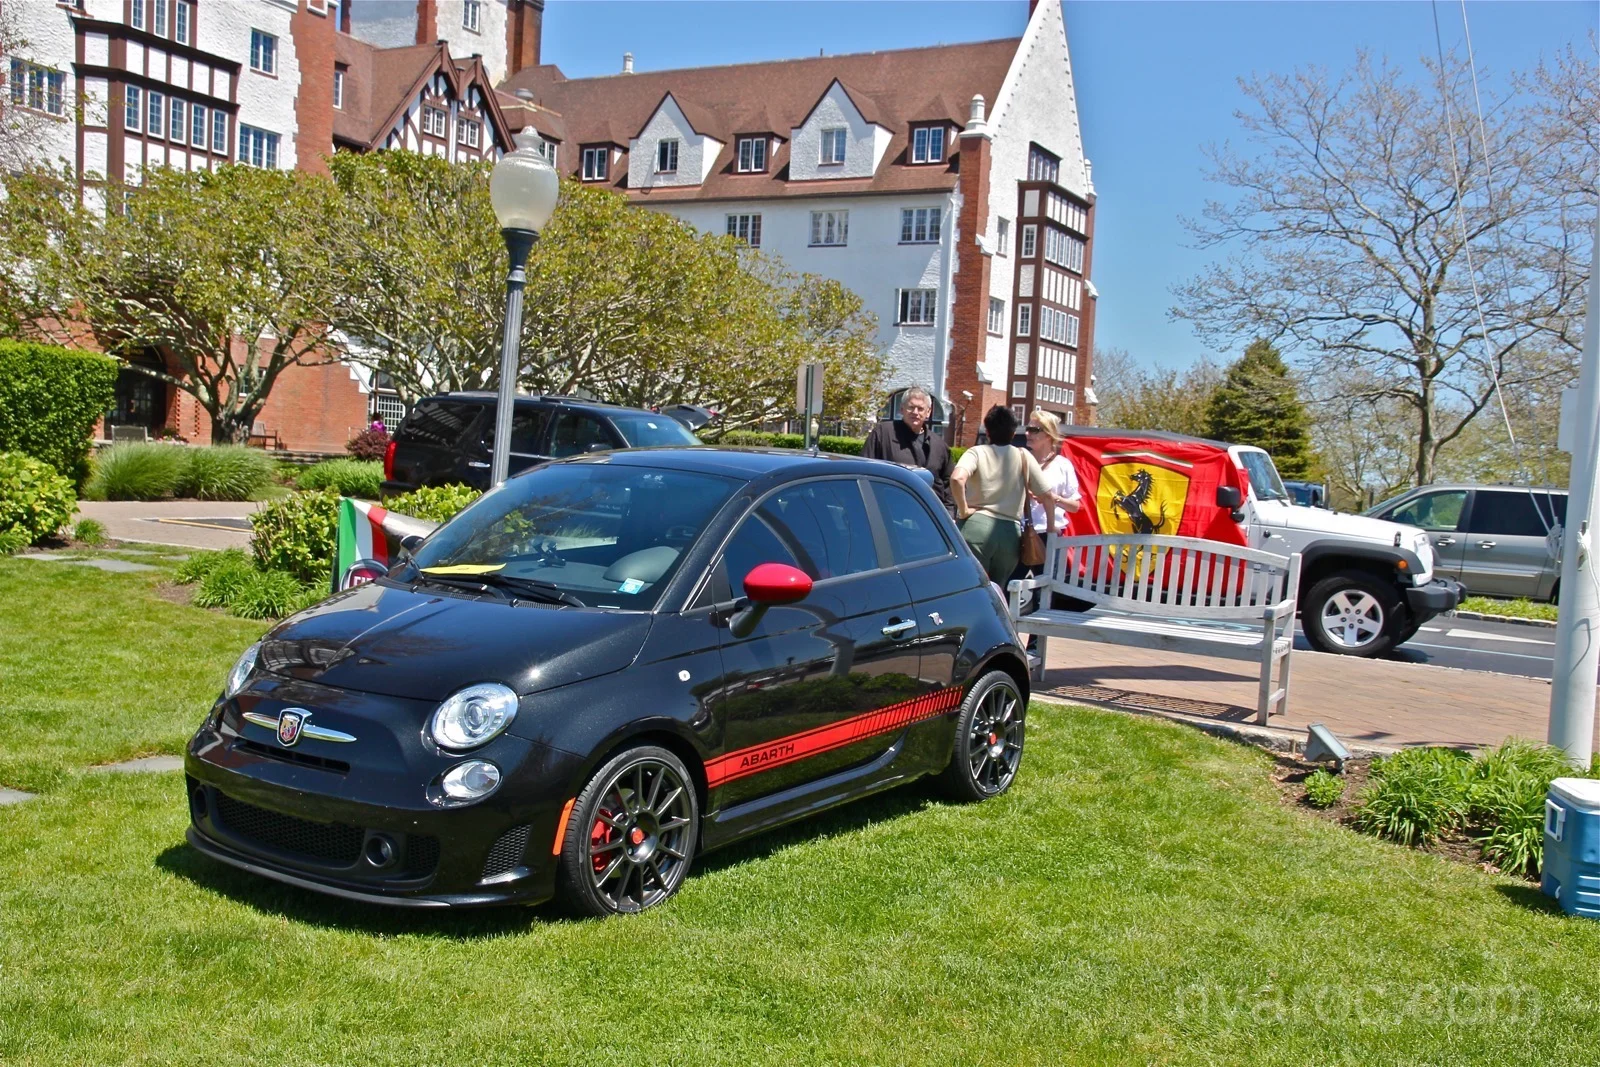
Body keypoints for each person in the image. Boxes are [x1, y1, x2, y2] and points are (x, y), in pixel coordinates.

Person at [950, 405, 1076, 585]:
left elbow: (957, 478)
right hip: (1010, 533)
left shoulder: (976, 452)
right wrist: (1050, 526)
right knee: (1001, 588)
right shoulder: (1023, 456)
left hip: (975, 526)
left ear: (987, 431)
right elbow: (1047, 496)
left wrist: (963, 510)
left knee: (970, 585)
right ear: (1013, 433)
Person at [1014, 408, 1082, 617]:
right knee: (1008, 586)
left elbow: (1075, 506)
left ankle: (1037, 637)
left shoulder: (1062, 465)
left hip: (1049, 535)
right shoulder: (1019, 460)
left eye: (1035, 430)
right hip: (1018, 532)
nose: (1028, 433)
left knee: (1045, 593)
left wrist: (1052, 498)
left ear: (1049, 435)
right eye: (1028, 428)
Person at [862, 385, 953, 511]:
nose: (915, 412)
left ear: (928, 412)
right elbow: (865, 469)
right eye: (911, 407)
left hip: (928, 513)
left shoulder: (939, 445)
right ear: (902, 409)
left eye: (920, 408)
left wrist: (949, 513)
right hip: (891, 510)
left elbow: (949, 483)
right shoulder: (883, 433)